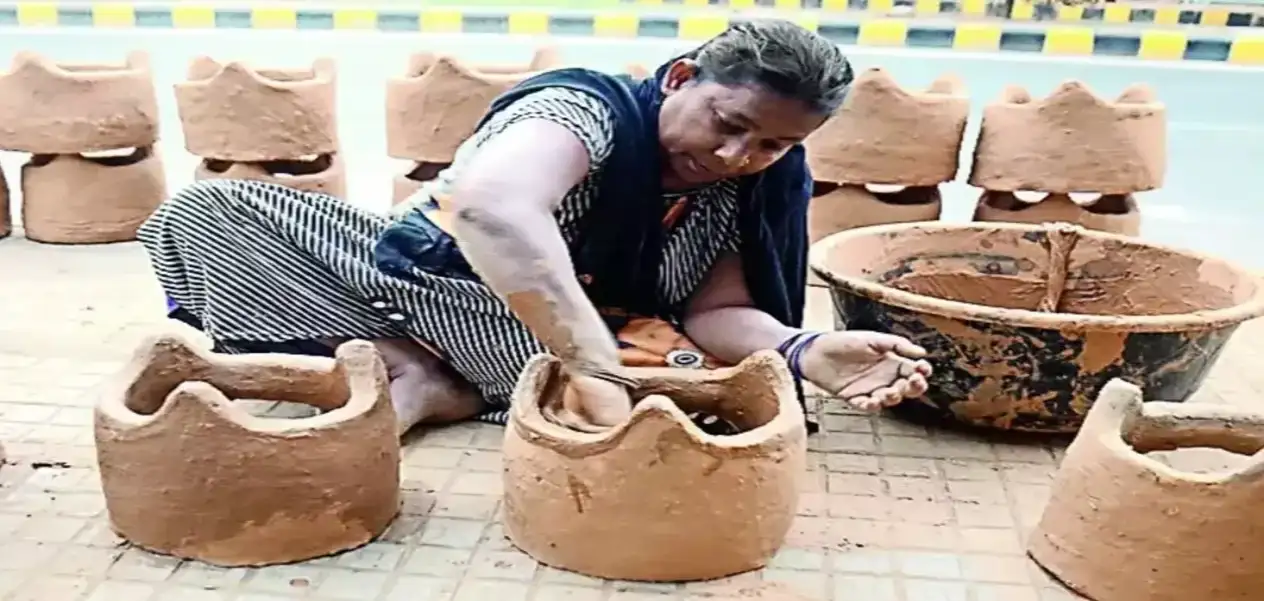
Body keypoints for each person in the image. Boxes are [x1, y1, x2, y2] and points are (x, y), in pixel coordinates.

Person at [137, 19, 933, 436]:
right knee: (210, 211)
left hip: (579, 330)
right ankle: (431, 371)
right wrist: (589, 358)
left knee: (676, 359)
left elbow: (717, 312)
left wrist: (807, 350)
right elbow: (487, 208)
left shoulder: (748, 183)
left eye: (773, 145)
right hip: (457, 294)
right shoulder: (585, 109)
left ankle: (451, 380)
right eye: (729, 123)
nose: (737, 154)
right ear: (682, 78)